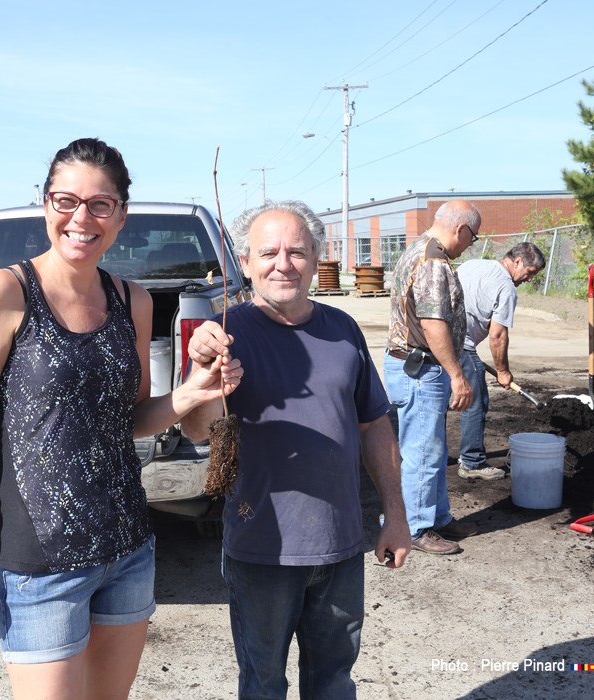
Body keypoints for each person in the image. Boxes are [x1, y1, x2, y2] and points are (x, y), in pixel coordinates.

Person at [0, 137, 241, 699]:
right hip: (41, 562)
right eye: (65, 200)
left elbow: (131, 419)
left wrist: (194, 391)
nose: (82, 218)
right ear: (45, 203)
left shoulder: (135, 301)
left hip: (128, 548)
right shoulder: (5, 293)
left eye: (100, 204)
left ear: (121, 215)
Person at [182, 200, 410, 699]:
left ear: (315, 259)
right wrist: (205, 378)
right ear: (244, 264)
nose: (283, 263)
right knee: (263, 685)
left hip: (341, 546)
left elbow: (374, 424)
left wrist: (396, 514)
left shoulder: (343, 329)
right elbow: (199, 431)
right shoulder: (225, 336)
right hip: (263, 548)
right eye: (268, 252)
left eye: (297, 251)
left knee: (333, 682)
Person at [385, 200, 481, 556]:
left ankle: (437, 517)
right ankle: (416, 527)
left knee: (433, 448)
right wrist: (457, 375)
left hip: (417, 366)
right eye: (472, 238)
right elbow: (432, 323)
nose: (470, 245)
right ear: (461, 229)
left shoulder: (419, 250)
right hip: (421, 368)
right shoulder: (433, 262)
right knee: (423, 451)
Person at [455, 242, 546, 480]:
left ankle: (433, 455)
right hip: (461, 344)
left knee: (443, 398)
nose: (528, 279)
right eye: (530, 272)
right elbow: (497, 336)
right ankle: (472, 463)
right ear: (517, 261)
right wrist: (503, 371)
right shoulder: (506, 288)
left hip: (438, 341)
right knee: (475, 401)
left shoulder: (473, 265)